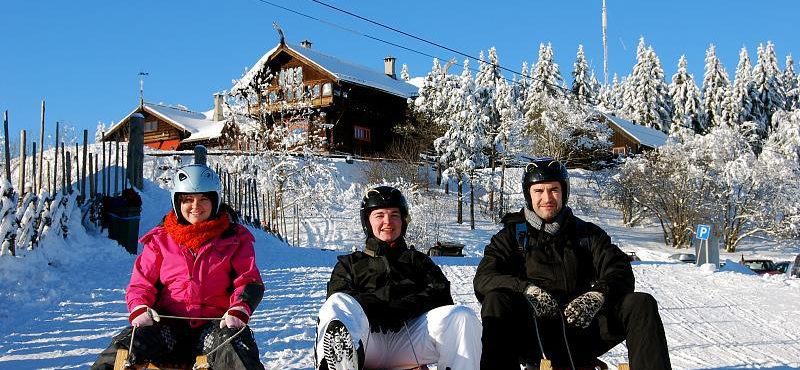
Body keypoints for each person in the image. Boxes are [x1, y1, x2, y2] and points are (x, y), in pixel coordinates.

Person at [473, 158, 671, 370]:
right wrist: (525, 290)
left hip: (582, 327)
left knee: (640, 303)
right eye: (539, 191)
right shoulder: (511, 236)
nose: (547, 198)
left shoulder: (587, 234)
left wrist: (599, 295)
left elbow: (619, 269)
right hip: (533, 334)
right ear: (529, 195)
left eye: (554, 190)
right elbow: (484, 278)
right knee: (496, 299)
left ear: (564, 192)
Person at [91, 164, 265, 370]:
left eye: (203, 199)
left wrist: (238, 309)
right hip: (167, 326)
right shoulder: (160, 240)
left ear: (215, 201)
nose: (195, 206)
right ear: (177, 202)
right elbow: (141, 284)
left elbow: (248, 281)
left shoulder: (235, 238)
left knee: (236, 346)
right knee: (127, 345)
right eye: (188, 200)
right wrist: (139, 308)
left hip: (214, 326)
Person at [315, 186, 481, 370]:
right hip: (369, 341)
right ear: (367, 222)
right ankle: (340, 365)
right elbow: (340, 297)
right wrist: (376, 308)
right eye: (379, 215)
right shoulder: (350, 264)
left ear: (403, 221)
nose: (388, 221)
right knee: (337, 302)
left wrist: (404, 307)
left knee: (462, 317)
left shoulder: (418, 261)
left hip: (410, 340)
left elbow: (441, 296)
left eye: (394, 215)